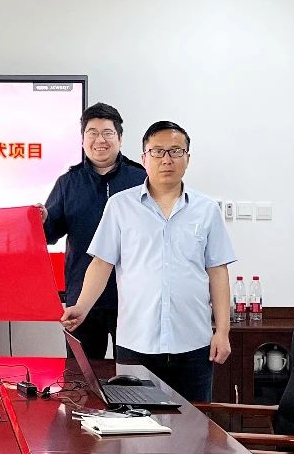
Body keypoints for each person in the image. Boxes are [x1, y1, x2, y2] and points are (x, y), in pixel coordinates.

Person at [60, 121, 235, 402]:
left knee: (195, 424)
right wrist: (82, 307)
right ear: (144, 158)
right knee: (137, 425)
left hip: (193, 343)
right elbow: (102, 264)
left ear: (187, 158)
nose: (167, 159)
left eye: (175, 151)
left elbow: (218, 271)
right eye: (157, 151)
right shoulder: (120, 206)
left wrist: (222, 331)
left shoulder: (206, 210)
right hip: (136, 342)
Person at [41, 102, 146, 359]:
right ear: (82, 140)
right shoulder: (68, 183)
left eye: (108, 133)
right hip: (83, 300)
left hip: (134, 298)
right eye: (92, 133)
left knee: (135, 372)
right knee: (81, 374)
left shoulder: (141, 179)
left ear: (120, 138)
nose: (100, 140)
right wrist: (42, 220)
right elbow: (49, 235)